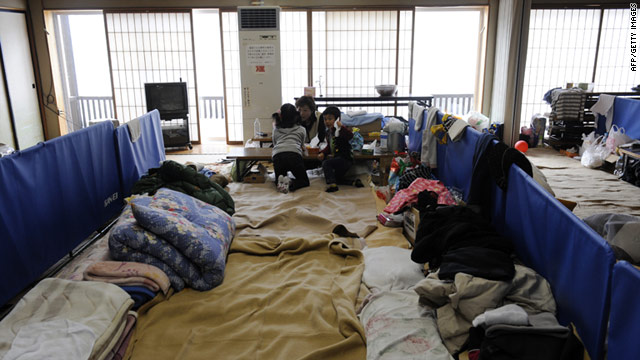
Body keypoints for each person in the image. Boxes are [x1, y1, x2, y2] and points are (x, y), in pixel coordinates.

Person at [318, 106, 364, 192]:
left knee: (326, 163)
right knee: (337, 179)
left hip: (345, 158)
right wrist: (323, 153)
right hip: (338, 159)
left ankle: (332, 185)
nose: (327, 121)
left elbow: (350, 136)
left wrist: (341, 127)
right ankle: (354, 182)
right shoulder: (328, 132)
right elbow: (329, 146)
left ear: (337, 119)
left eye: (330, 119)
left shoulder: (341, 130)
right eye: (325, 119)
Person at [272, 103, 310, 194]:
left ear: (280, 116)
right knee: (304, 181)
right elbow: (302, 145)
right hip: (294, 155)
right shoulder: (301, 129)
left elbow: (275, 144)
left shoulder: (276, 130)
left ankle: (281, 181)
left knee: (279, 178)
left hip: (278, 156)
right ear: (296, 115)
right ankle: (291, 182)